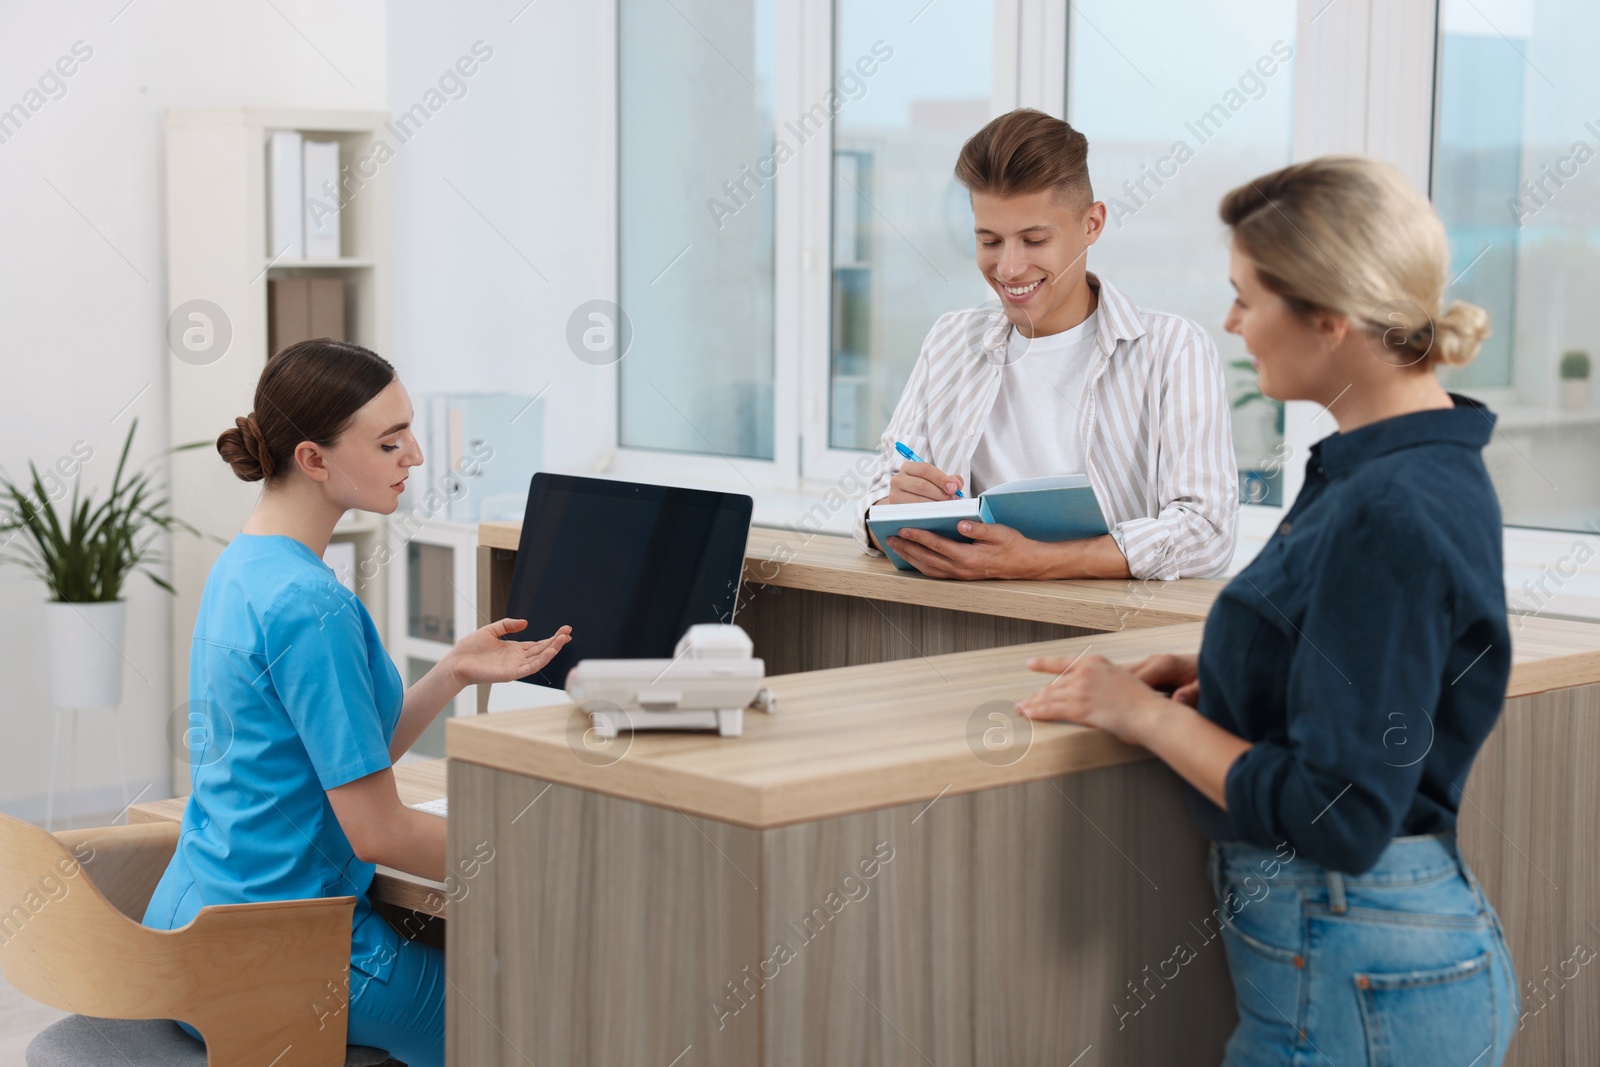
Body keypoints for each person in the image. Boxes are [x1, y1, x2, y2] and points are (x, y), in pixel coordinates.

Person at [1018, 156, 1519, 1064]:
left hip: (1356, 964)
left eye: (1248, 297)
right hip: (1371, 962)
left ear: (1328, 318)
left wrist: (1139, 716)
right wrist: (1230, 677)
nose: (1232, 322)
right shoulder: (1400, 463)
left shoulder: (1389, 505)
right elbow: (1373, 675)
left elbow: (1341, 810)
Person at [141, 339, 571, 1067]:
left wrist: (452, 672)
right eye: (390, 440)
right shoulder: (312, 606)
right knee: (541, 1005)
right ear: (314, 458)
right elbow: (377, 832)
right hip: (289, 956)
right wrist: (548, 851)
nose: (417, 456)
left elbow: (333, 761)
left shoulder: (244, 566)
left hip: (196, 929)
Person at [854, 108, 1238, 581]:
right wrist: (891, 510)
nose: (1009, 268)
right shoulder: (951, 340)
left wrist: (1036, 561)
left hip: (1102, 641)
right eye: (990, 241)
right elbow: (873, 497)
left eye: (1034, 240)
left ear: (1092, 224)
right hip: (955, 620)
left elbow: (1208, 533)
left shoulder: (1174, 350)